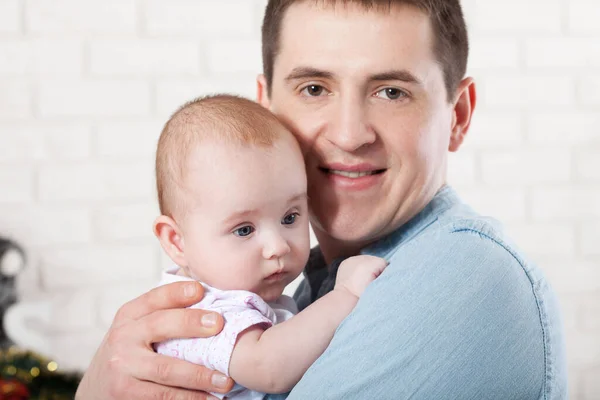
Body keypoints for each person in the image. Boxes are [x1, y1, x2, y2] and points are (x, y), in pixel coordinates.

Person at [76, 1, 568, 399]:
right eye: (314, 88)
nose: (351, 135)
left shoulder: (463, 278)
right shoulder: (297, 285)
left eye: (391, 92)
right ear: (265, 108)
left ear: (457, 115)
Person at [151, 94, 387, 399]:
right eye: (244, 230)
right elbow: (268, 369)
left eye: (290, 217)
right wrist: (346, 295)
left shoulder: (233, 295)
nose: (277, 246)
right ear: (176, 241)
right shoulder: (201, 313)